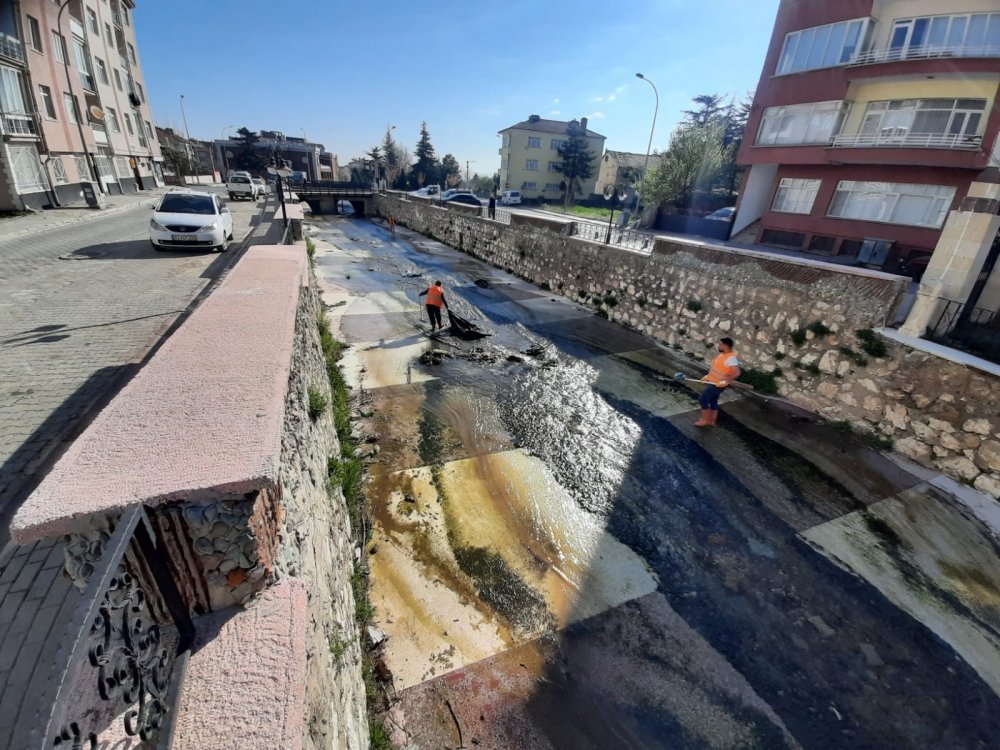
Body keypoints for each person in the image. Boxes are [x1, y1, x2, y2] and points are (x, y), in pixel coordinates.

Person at [695, 337, 741, 427]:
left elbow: (737, 373)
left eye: (720, 344)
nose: (718, 346)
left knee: (702, 399)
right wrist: (707, 377)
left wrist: (727, 380)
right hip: (713, 382)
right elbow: (717, 368)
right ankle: (712, 420)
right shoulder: (722, 355)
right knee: (713, 401)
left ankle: (705, 420)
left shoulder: (731, 358)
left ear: (726, 345)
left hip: (718, 385)